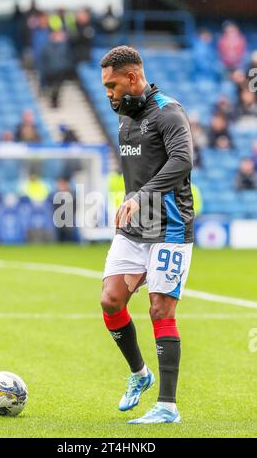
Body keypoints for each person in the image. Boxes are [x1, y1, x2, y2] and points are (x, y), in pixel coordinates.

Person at [100, 46, 194, 424]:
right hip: (133, 229)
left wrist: (141, 196)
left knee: (159, 308)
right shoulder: (125, 115)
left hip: (169, 228)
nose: (108, 92)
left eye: (112, 85)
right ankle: (140, 374)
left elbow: (182, 159)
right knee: (110, 301)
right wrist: (128, 203)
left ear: (133, 79)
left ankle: (167, 407)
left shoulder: (169, 112)